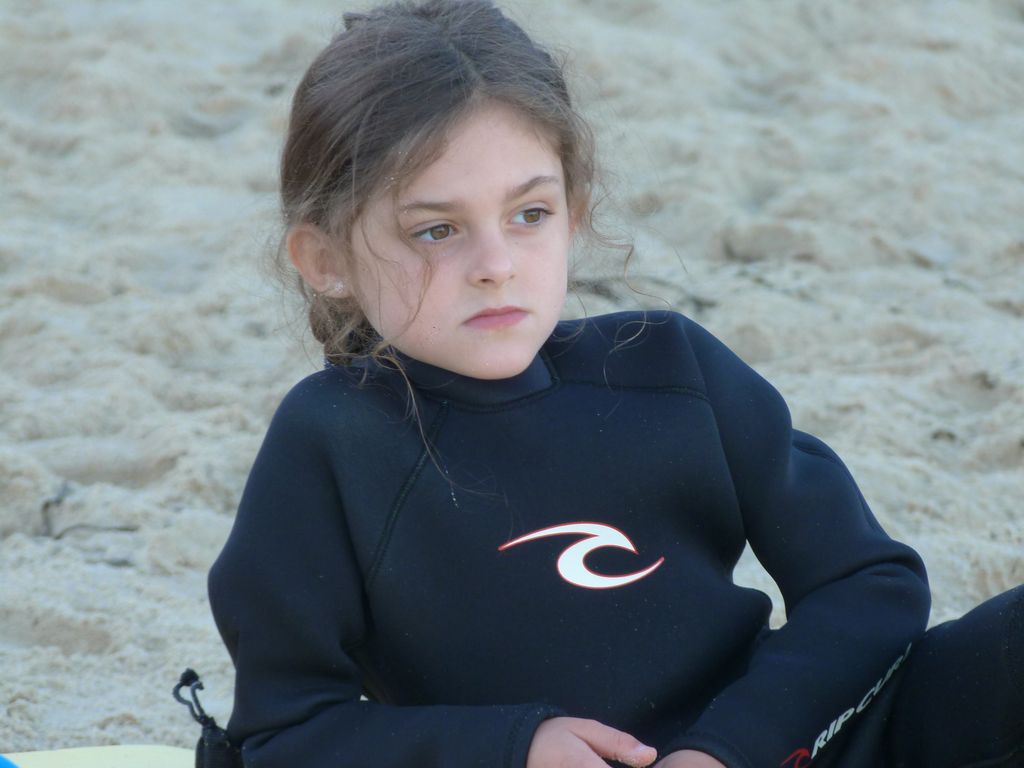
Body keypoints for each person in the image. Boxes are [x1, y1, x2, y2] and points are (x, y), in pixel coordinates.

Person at [206, 1, 1024, 766]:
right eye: (436, 230)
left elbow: (868, 583)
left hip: (796, 743)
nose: (496, 265)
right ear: (325, 259)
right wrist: (516, 747)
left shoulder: (668, 368)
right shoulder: (333, 444)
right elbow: (286, 731)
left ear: (574, 208)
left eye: (529, 214)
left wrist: (727, 747)